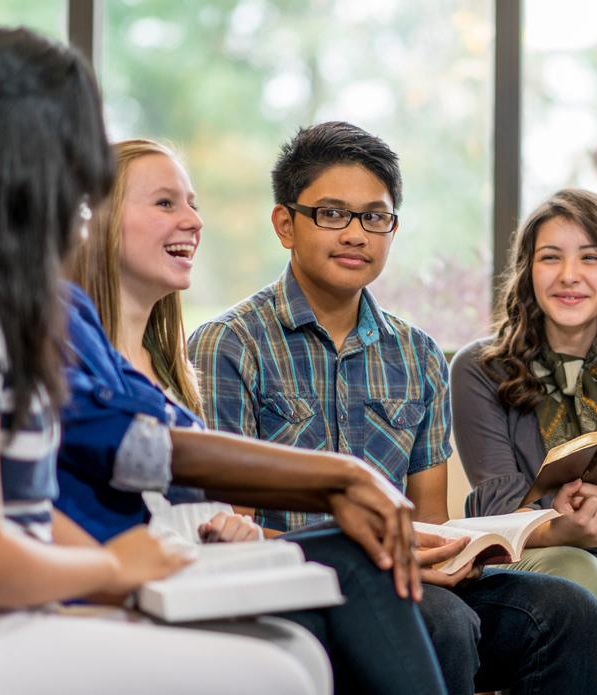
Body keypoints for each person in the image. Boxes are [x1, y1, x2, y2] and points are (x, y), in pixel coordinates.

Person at [188, 121, 597, 694]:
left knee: (570, 611)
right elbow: (228, 529)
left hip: (406, 578)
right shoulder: (230, 344)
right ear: (285, 224)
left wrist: (452, 552)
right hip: (291, 585)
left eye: (375, 217)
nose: (356, 234)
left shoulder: (417, 354)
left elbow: (426, 517)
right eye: (332, 214)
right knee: (444, 625)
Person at [62, 137, 451, 695]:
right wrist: (340, 480)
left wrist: (229, 526)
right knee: (354, 568)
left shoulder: (169, 361)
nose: (195, 220)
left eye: (192, 203)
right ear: (95, 217)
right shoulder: (72, 331)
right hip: (139, 579)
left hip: (191, 566)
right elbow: (142, 450)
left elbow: (185, 491)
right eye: (166, 203)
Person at [0, 26, 322, 695]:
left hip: (41, 594)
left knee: (296, 652)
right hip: (17, 613)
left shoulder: (23, 315)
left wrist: (115, 576)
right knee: (278, 675)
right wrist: (109, 574)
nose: (87, 178)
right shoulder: (59, 321)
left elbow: (25, 508)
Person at [451, 188, 597, 695]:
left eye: (590, 258)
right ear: (526, 271)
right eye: (550, 258)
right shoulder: (477, 369)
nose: (569, 276)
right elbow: (495, 503)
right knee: (574, 577)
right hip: (529, 554)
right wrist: (564, 527)